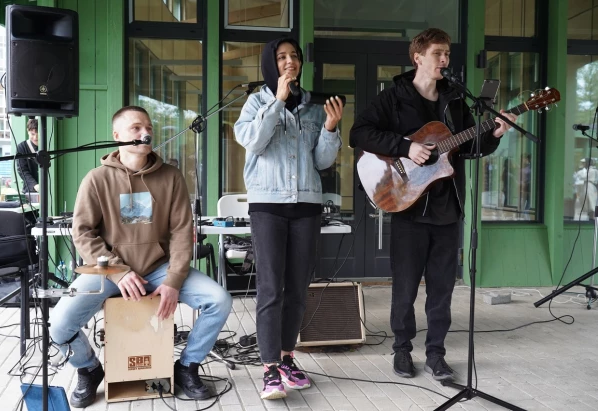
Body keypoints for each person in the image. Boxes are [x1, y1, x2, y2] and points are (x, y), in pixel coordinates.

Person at [349, 28, 517, 381]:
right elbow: (359, 133)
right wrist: (405, 147)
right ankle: (402, 351)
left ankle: (436, 354)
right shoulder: (394, 96)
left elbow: (470, 148)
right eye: (439, 53)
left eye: (447, 54)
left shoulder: (455, 100)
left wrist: (495, 134)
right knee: (405, 288)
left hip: (448, 209)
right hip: (408, 205)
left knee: (442, 290)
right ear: (418, 57)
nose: (445, 60)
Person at [49, 106, 232, 408]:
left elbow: (183, 234)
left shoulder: (171, 177)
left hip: (160, 268)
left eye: (147, 126)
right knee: (59, 323)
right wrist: (118, 271)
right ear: (117, 136)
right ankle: (89, 369)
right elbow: (82, 233)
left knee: (219, 300)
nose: (145, 132)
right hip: (109, 272)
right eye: (135, 128)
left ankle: (186, 367)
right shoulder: (96, 180)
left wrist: (174, 280)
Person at [234, 37, 343, 400]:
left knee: (299, 288)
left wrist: (329, 128)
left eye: (294, 56)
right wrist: (277, 101)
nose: (290, 62)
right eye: (281, 57)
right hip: (268, 205)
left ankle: (287, 358)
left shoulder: (313, 107)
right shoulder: (255, 103)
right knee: (270, 288)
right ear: (270, 63)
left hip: (307, 206)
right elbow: (252, 141)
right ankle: (268, 369)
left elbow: (323, 162)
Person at [15, 119, 39, 193]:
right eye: (32, 134)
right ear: (27, 131)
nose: (35, 138)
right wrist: (35, 185)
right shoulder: (21, 147)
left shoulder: (48, 145)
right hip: (30, 190)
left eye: (38, 134)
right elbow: (22, 170)